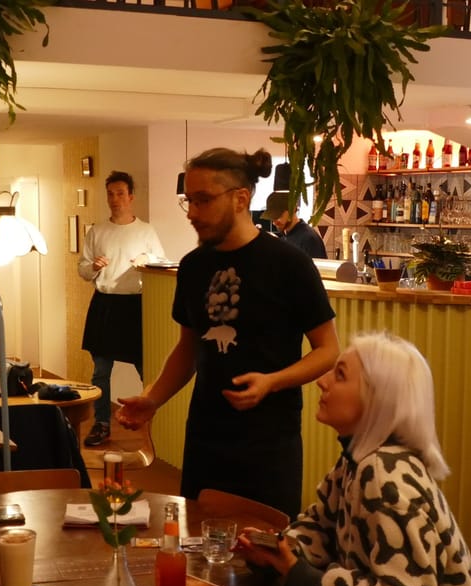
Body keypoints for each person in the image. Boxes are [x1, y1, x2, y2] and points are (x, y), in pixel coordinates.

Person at [236, 332, 471, 586]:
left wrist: (301, 576)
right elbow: (320, 526)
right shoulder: (356, 461)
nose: (322, 382)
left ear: (377, 400)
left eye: (340, 375)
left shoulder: (386, 476)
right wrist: (277, 552)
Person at [116, 148, 339, 516]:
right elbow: (188, 350)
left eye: (203, 200)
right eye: (189, 201)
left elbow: (328, 350)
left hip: (270, 441)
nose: (192, 213)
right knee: (198, 546)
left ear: (241, 198)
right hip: (206, 434)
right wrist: (153, 398)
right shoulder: (192, 267)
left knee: (264, 554)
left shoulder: (290, 265)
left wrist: (272, 382)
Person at [78, 170, 166, 447]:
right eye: (110, 194)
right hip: (105, 303)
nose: (114, 199)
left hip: (134, 304)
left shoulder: (146, 230)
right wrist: (93, 267)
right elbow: (82, 267)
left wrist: (146, 258)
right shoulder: (97, 231)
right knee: (100, 372)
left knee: (145, 368)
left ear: (130, 197)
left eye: (120, 194)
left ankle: (155, 426)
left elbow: (161, 261)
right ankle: (102, 423)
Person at [262, 190, 327, 260]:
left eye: (278, 216)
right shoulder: (287, 235)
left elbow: (317, 269)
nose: (274, 223)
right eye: (272, 217)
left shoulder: (308, 239)